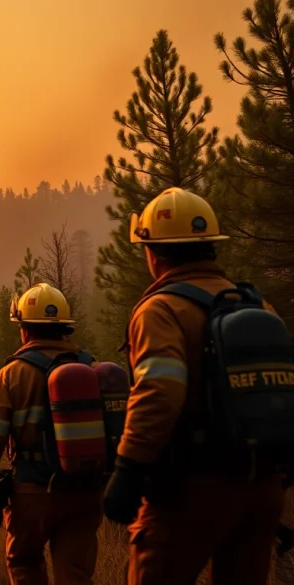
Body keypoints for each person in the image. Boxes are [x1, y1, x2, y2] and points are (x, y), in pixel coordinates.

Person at [103, 187, 287, 585]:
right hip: (263, 490)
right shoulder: (258, 306)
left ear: (154, 252)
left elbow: (160, 390)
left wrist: (128, 467)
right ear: (210, 247)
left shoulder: (161, 309)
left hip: (191, 488)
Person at [0, 283, 102, 585]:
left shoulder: (12, 374)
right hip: (85, 491)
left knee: (25, 561)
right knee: (77, 573)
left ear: (24, 329)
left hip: (32, 491)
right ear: (66, 328)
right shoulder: (92, 367)